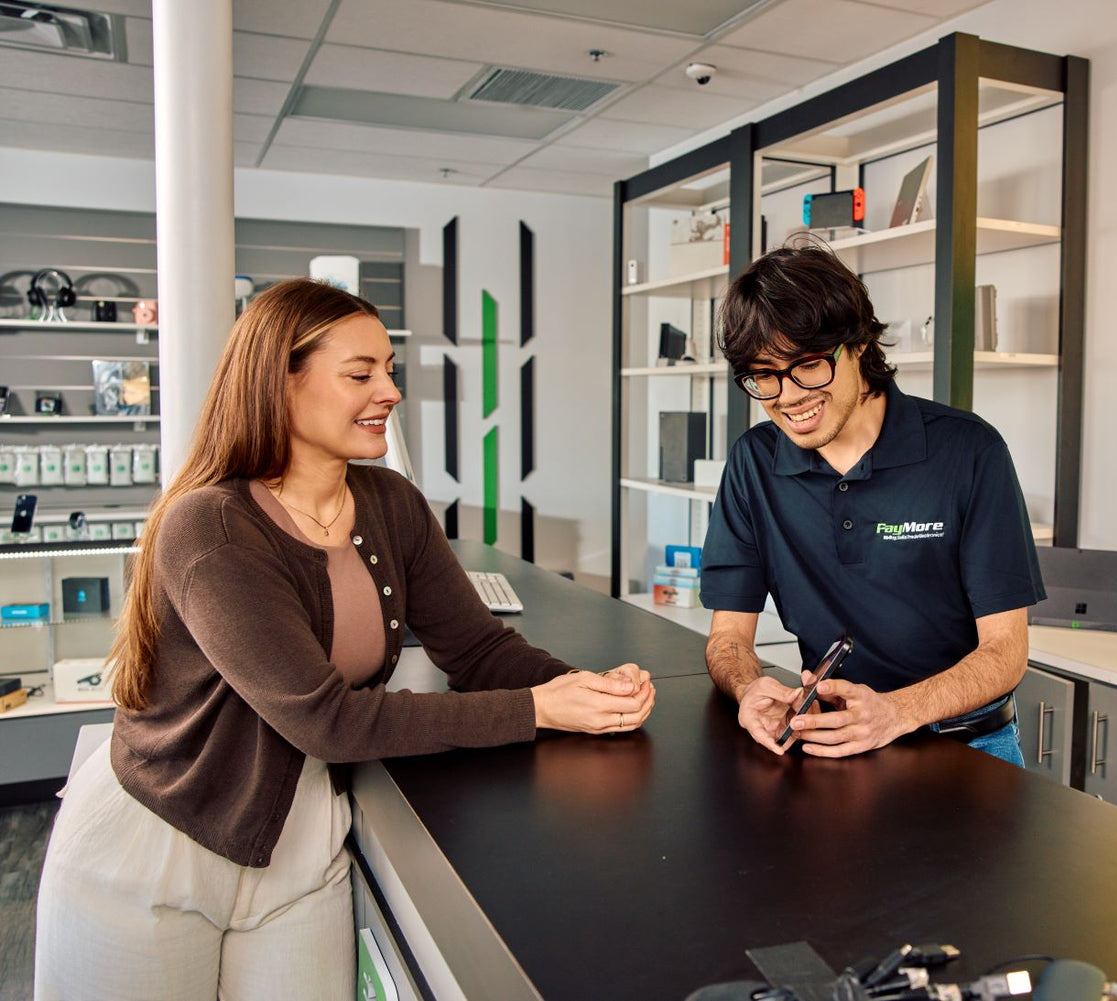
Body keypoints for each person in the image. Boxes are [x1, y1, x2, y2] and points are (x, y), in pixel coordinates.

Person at [34, 278, 656, 1000]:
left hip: (300, 842)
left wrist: (585, 688)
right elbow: (325, 718)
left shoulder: (392, 504)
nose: (389, 391)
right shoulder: (212, 527)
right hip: (159, 845)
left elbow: (479, 651)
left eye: (390, 369)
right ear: (280, 382)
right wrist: (539, 710)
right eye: (361, 373)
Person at [700, 245, 1044, 763]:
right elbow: (728, 637)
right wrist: (749, 687)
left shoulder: (970, 451)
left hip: (968, 748)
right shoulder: (754, 462)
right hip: (835, 744)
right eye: (763, 375)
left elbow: (1006, 652)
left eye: (808, 365)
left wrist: (897, 712)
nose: (788, 396)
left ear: (858, 344)